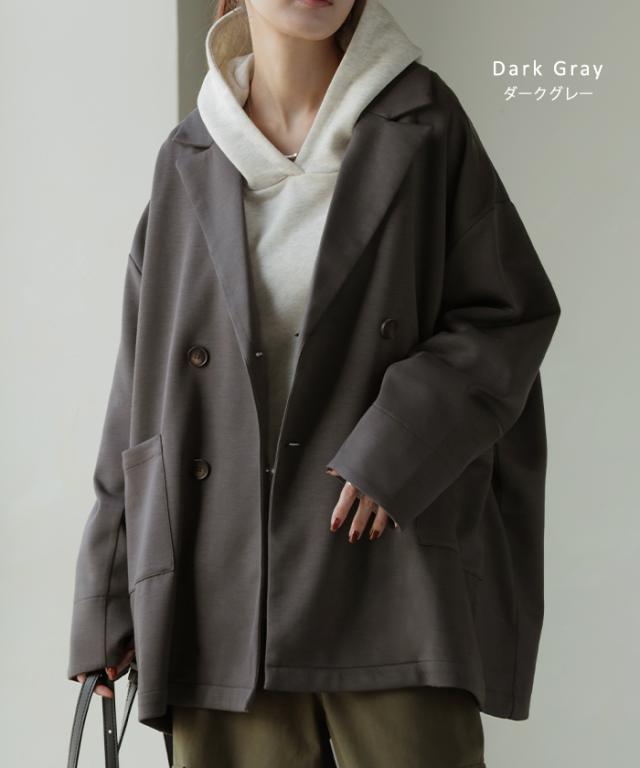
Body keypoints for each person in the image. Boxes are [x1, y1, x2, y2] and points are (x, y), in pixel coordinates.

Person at [68, 0, 561, 765]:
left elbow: (509, 312)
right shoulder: (190, 155)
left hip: (389, 570)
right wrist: (105, 599)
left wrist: (400, 441)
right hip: (221, 593)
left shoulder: (423, 123)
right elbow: (139, 394)